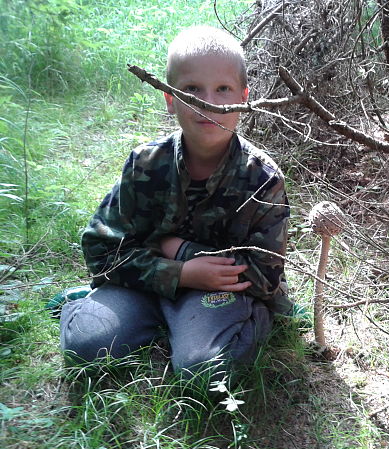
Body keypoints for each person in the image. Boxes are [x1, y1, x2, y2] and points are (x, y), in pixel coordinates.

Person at [60, 25, 292, 383]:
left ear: (243, 99)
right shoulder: (146, 163)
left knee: (206, 370)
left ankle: (210, 325)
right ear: (170, 99)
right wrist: (179, 274)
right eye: (192, 90)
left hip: (216, 295)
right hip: (145, 287)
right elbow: (100, 249)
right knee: (87, 348)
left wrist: (180, 250)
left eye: (223, 89)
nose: (207, 103)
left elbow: (264, 277)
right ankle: (164, 319)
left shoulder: (262, 178)